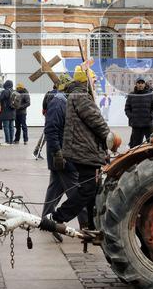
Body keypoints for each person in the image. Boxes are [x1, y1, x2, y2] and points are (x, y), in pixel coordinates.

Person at [49, 66, 113, 231]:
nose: (95, 82)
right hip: (85, 150)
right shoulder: (81, 96)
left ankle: (91, 224)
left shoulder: (77, 95)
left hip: (83, 149)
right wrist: (109, 137)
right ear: (86, 81)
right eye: (93, 79)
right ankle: (58, 217)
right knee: (87, 189)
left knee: (92, 189)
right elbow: (95, 120)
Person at [40, 74, 88, 238]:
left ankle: (46, 221)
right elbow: (51, 130)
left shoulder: (66, 100)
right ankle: (86, 225)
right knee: (77, 192)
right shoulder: (59, 102)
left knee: (55, 190)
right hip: (63, 155)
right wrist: (58, 154)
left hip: (62, 154)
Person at [124, 78, 153, 148]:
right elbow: (127, 108)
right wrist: (131, 117)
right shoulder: (131, 95)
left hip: (148, 125)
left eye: (142, 83)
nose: (140, 85)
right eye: (139, 83)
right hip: (136, 126)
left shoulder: (150, 94)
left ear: (144, 84)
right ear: (136, 84)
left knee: (152, 145)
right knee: (135, 147)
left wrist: (151, 116)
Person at [0, 80, 17, 145]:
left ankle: (7, 141)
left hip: (6, 112)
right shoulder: (14, 91)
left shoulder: (5, 92)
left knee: (6, 127)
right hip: (13, 112)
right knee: (11, 127)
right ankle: (11, 141)